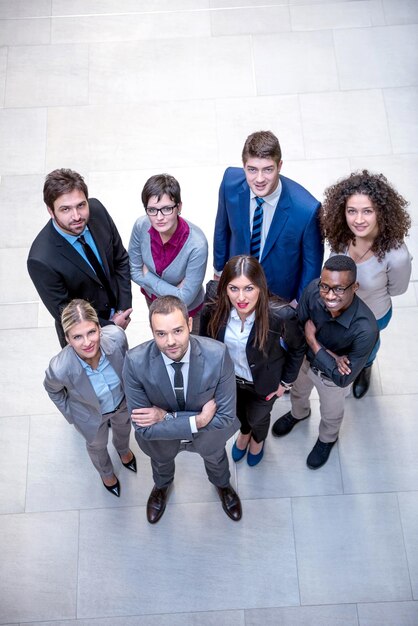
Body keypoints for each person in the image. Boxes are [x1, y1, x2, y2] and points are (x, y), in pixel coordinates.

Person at [123, 295, 242, 524]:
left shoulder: (217, 355)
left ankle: (222, 485)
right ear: (152, 331)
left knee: (216, 459)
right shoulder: (135, 362)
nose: (170, 342)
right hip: (163, 442)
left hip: (209, 437)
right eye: (161, 334)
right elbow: (143, 428)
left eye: (177, 331)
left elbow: (226, 417)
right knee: (161, 463)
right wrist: (198, 420)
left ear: (189, 324)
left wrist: (164, 418)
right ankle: (162, 486)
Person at [272, 256, 379, 469]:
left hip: (330, 380)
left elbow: (342, 377)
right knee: (298, 393)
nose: (329, 295)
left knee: (332, 412)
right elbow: (298, 329)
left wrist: (314, 341)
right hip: (304, 362)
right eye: (325, 286)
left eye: (339, 289)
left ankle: (327, 439)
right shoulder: (313, 290)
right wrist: (331, 355)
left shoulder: (366, 329)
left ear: (354, 287)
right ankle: (299, 414)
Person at [200, 255, 305, 466]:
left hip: (264, 382)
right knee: (240, 414)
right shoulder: (213, 305)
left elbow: (298, 347)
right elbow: (205, 344)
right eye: (233, 288)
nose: (241, 297)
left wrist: (285, 382)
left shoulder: (281, 315)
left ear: (260, 287)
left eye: (249, 288)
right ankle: (245, 432)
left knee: (258, 417)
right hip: (230, 381)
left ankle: (258, 439)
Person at [321, 170, 412, 399]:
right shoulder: (342, 234)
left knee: (367, 345)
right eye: (352, 211)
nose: (358, 220)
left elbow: (397, 289)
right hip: (338, 308)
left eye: (367, 211)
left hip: (373, 313)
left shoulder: (396, 255)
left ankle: (366, 367)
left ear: (380, 212)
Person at [213, 130, 323, 301]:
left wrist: (300, 305)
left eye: (267, 170)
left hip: (278, 296)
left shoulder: (307, 210)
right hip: (238, 285)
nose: (259, 179)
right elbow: (222, 228)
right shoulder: (230, 183)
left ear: (279, 166)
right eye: (252, 170)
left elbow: (312, 266)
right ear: (244, 166)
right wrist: (219, 272)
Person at [27, 168, 133, 347]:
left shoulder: (97, 210)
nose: (76, 216)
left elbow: (120, 259)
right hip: (83, 339)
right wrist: (111, 326)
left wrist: (123, 310)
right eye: (65, 209)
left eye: (81, 205)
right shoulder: (41, 259)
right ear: (50, 211)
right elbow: (66, 313)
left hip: (118, 318)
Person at [44, 299, 136, 497]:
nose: (87, 343)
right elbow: (53, 390)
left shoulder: (117, 338)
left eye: (91, 332)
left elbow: (128, 367)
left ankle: (123, 450)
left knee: (123, 428)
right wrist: (72, 415)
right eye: (77, 337)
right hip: (89, 415)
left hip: (121, 404)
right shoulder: (59, 368)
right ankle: (106, 473)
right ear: (67, 338)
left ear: (100, 329)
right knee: (97, 445)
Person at [128, 173, 208, 333]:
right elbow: (133, 270)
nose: (159, 217)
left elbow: (185, 299)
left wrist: (148, 277)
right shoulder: (141, 226)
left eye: (166, 209)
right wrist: (175, 291)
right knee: (162, 346)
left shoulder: (197, 245)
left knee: (192, 352)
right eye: (152, 210)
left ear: (179, 207)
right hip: (153, 303)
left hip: (188, 314)